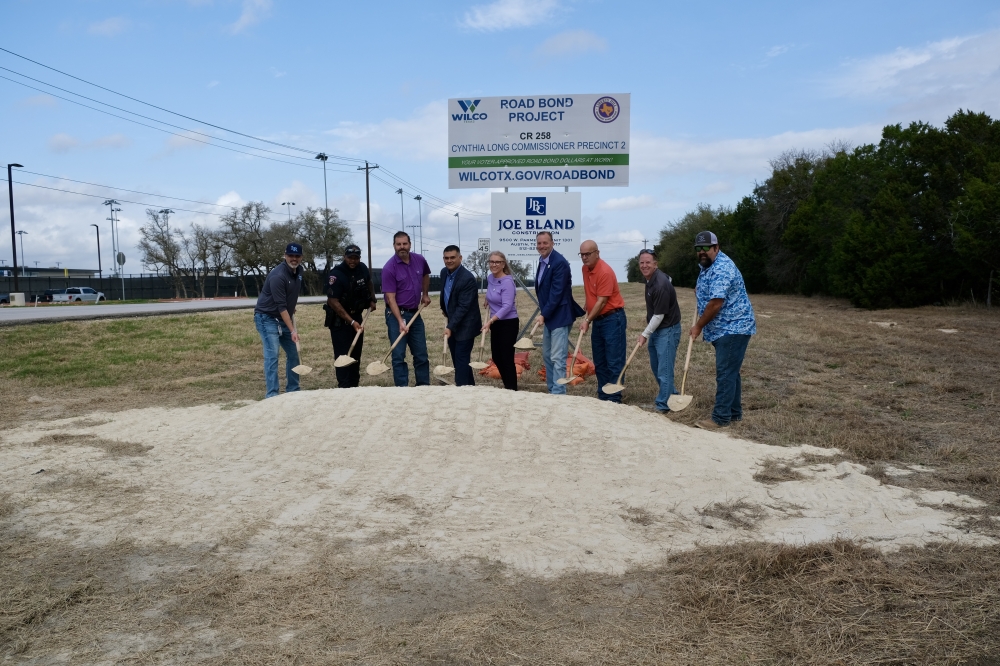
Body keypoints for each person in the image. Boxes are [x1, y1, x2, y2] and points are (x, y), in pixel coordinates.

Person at [689, 231, 757, 430]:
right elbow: (710, 287)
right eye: (698, 248)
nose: (702, 252)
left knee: (726, 372)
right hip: (724, 328)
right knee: (731, 371)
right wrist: (700, 289)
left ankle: (720, 418)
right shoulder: (708, 264)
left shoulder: (722, 268)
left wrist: (698, 326)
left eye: (706, 248)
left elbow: (716, 303)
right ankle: (734, 413)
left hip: (733, 326)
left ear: (716, 248)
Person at [534, 231, 585, 395]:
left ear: (552, 243)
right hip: (550, 316)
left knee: (557, 357)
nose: (542, 246)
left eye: (545, 243)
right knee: (547, 355)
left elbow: (557, 293)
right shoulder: (542, 261)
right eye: (539, 243)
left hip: (560, 315)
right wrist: (545, 313)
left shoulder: (559, 263)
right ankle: (552, 389)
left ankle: (558, 392)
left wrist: (543, 314)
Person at [253, 243, 305, 399]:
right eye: (291, 256)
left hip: (283, 316)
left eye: (297, 256)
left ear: (301, 257)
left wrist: (292, 307)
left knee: (294, 353)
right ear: (285, 255)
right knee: (272, 354)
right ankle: (272, 395)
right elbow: (281, 307)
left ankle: (293, 390)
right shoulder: (278, 275)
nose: (294, 259)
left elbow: (291, 294)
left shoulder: (300, 271)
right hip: (266, 317)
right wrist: (293, 331)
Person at [579, 240, 627, 403]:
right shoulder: (585, 269)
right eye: (582, 254)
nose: (584, 258)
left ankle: (614, 398)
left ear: (597, 253)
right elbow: (591, 293)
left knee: (614, 360)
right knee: (599, 360)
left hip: (613, 319)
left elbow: (602, 302)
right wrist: (588, 304)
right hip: (599, 320)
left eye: (588, 254)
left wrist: (587, 320)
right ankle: (603, 395)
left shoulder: (605, 271)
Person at [381, 231, 432, 387]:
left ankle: (423, 386)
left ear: (410, 244)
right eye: (398, 244)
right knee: (398, 355)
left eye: (405, 243)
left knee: (421, 353)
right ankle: (402, 389)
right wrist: (400, 321)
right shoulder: (389, 268)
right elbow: (391, 298)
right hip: (396, 314)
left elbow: (425, 275)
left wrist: (425, 294)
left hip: (415, 313)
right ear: (394, 245)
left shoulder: (419, 260)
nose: (402, 247)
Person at [324, 243, 377, 388]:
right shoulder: (336, 274)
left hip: (357, 317)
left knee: (355, 355)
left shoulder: (362, 268)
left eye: (356, 258)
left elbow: (369, 282)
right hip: (340, 322)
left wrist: (372, 299)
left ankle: (354, 386)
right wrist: (351, 321)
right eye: (350, 258)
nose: (353, 261)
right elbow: (333, 301)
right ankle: (344, 386)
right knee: (343, 356)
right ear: (344, 257)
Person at [637, 249, 682, 414]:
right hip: (658, 330)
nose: (644, 265)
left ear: (655, 264)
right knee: (657, 367)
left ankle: (663, 405)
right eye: (641, 262)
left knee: (664, 369)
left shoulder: (660, 284)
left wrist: (644, 334)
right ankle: (672, 395)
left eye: (648, 262)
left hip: (668, 330)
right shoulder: (650, 279)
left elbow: (659, 315)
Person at [439, 245, 482, 387]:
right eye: (446, 258)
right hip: (453, 322)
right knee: (459, 361)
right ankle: (470, 387)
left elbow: (464, 307)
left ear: (460, 258)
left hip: (466, 325)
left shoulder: (467, 278)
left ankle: (461, 389)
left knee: (461, 359)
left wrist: (450, 327)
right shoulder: (444, 273)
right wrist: (445, 309)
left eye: (452, 257)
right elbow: (446, 295)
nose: (449, 261)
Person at [482, 250, 519, 391]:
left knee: (506, 358)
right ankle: (507, 385)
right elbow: (492, 290)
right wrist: (487, 298)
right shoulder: (490, 278)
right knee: (497, 357)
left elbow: (507, 306)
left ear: (503, 264)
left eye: (497, 262)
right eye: (491, 262)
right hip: (495, 322)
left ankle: (512, 389)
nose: (494, 264)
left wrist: (491, 321)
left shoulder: (508, 282)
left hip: (508, 323)